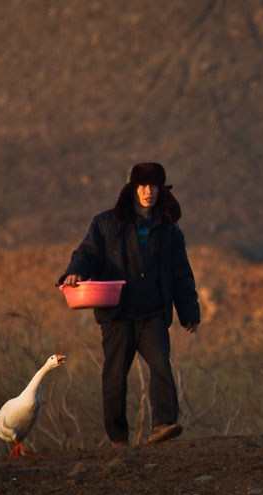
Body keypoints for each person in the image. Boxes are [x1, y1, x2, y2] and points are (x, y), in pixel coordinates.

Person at [59, 162, 200, 447]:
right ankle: (118, 439)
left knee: (161, 365)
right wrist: (75, 272)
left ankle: (162, 424)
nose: (149, 192)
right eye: (143, 186)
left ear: (161, 189)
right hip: (117, 315)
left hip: (152, 314)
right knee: (115, 377)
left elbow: (181, 274)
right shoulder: (105, 224)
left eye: (154, 186)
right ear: (132, 189)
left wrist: (189, 313)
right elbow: (87, 254)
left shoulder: (170, 230)